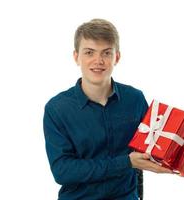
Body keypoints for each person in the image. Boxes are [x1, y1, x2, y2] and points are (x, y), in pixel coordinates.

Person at [43, 18, 172, 200]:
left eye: (106, 53)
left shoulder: (135, 99)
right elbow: (63, 171)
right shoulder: (57, 109)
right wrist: (125, 163)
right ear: (76, 57)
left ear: (116, 57)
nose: (98, 61)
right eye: (89, 52)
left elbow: (151, 145)